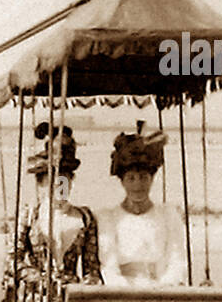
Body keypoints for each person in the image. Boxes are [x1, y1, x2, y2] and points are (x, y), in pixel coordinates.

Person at [97, 122, 186, 286]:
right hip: (123, 294)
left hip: (162, 292)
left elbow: (177, 259)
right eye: (131, 178)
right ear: (122, 181)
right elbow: (108, 265)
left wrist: (163, 287)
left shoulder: (168, 215)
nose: (138, 186)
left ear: (152, 179)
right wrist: (127, 293)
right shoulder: (109, 218)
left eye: (144, 177)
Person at [12, 124, 101, 285]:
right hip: (37, 301)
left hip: (73, 299)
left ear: (71, 181)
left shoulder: (85, 218)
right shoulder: (30, 216)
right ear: (41, 183)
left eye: (64, 179)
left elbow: (92, 269)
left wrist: (88, 285)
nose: (60, 186)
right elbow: (13, 261)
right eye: (52, 181)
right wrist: (35, 276)